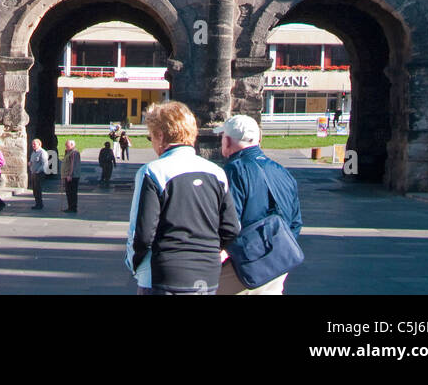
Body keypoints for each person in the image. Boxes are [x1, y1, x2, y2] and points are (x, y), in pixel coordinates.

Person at [126, 101, 239, 296]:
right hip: (207, 275)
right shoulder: (217, 173)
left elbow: (142, 234)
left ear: (161, 136)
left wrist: (133, 263)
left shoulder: (152, 172)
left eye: (150, 136)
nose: (152, 142)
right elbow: (231, 228)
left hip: (163, 274)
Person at [216, 114, 302, 296]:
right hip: (276, 264)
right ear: (259, 138)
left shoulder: (233, 171)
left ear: (228, 140)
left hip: (242, 265)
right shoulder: (283, 172)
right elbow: (295, 223)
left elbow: (229, 222)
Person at [28, 138, 49, 208]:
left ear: (39, 144)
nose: (33, 145)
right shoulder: (33, 152)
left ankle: (39, 204)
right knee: (34, 189)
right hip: (33, 173)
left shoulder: (42, 152)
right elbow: (32, 161)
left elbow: (44, 164)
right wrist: (30, 164)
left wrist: (37, 171)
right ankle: (37, 203)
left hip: (39, 173)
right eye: (32, 144)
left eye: (34, 144)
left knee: (38, 189)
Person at [63, 139, 81, 212]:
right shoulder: (69, 152)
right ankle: (70, 207)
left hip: (72, 176)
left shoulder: (74, 153)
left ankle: (73, 207)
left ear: (72, 145)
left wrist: (70, 175)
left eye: (67, 145)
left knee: (72, 192)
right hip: (68, 175)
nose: (66, 147)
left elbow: (73, 164)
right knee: (68, 192)